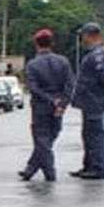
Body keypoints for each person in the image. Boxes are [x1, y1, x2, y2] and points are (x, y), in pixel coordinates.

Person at [19, 29, 74, 182]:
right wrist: (62, 103)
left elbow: (33, 88)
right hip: (58, 106)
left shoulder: (32, 65)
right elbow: (70, 85)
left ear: (36, 44)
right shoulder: (63, 62)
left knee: (42, 139)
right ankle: (30, 169)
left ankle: (49, 172)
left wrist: (51, 100)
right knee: (50, 137)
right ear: (52, 43)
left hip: (41, 106)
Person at [70, 22, 104, 180]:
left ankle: (98, 167)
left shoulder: (98, 55)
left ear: (91, 35)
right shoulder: (94, 53)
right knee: (88, 134)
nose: (82, 38)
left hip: (95, 99)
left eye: (83, 35)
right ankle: (89, 165)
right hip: (89, 100)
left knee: (96, 134)